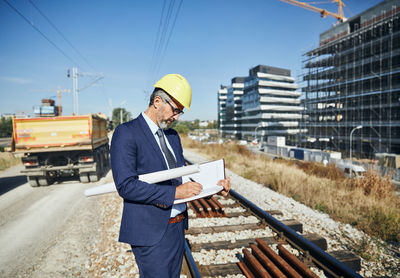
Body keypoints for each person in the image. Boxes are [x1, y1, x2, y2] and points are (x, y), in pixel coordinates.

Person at [110, 74, 230, 277]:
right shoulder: (126, 133)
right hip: (151, 232)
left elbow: (182, 178)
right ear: (157, 102)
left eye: (180, 112)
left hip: (176, 228)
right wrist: (175, 193)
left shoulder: (173, 136)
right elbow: (126, 186)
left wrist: (214, 187)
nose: (176, 118)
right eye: (175, 110)